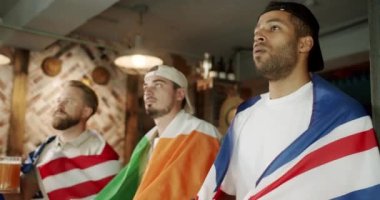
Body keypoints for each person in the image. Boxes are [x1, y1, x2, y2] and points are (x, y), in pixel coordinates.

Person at [198, 1, 380, 199]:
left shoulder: (344, 118)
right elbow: (225, 190)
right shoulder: (243, 116)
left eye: (274, 27)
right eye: (256, 32)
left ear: (304, 44)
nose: (258, 37)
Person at [96, 65, 221, 200]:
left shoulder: (201, 133)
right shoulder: (147, 141)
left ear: (179, 94)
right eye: (145, 87)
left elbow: (207, 190)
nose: (148, 91)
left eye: (158, 85)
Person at [1, 80, 121, 200]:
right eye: (59, 100)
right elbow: (21, 196)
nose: (59, 105)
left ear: (86, 112)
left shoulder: (99, 151)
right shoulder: (45, 149)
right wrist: (6, 169)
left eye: (69, 101)